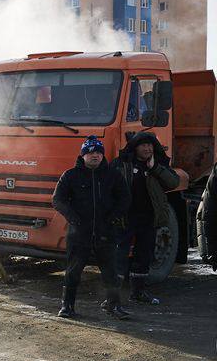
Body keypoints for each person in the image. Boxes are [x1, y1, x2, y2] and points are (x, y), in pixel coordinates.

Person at [51, 136, 132, 320]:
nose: (94, 156)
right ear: (83, 155)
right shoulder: (70, 175)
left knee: (110, 271)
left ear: (102, 155)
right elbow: (57, 200)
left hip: (106, 232)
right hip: (79, 233)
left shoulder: (113, 175)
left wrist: (113, 218)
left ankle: (114, 305)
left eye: (98, 152)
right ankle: (67, 306)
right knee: (73, 271)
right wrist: (73, 218)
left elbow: (125, 198)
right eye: (90, 152)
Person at [114, 132, 180, 303]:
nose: (147, 148)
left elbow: (174, 182)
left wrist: (155, 168)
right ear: (135, 147)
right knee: (119, 255)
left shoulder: (158, 165)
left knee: (144, 254)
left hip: (149, 217)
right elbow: (110, 186)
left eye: (150, 145)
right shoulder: (122, 164)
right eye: (143, 145)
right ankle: (113, 296)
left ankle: (138, 292)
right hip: (126, 217)